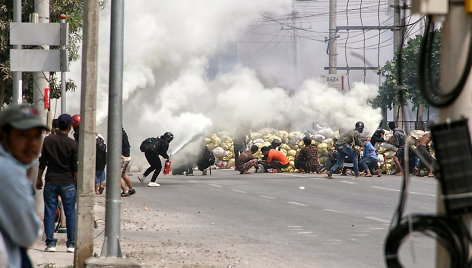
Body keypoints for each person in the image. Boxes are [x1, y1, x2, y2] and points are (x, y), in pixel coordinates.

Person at [0, 104, 45, 267]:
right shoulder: (9, 173)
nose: (32, 143)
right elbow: (27, 235)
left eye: (37, 135)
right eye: (23, 135)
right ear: (3, 136)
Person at [36, 113, 78, 253]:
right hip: (67, 183)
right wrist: (77, 182)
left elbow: (42, 162)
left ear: (58, 125)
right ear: (70, 127)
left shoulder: (48, 140)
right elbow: (74, 167)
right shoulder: (72, 143)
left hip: (51, 181)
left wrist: (38, 179)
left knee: (50, 212)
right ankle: (71, 244)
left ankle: (50, 244)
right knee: (70, 212)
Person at [120, 128, 136, 196]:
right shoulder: (123, 133)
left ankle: (125, 191)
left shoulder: (118, 134)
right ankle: (131, 189)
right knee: (123, 174)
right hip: (126, 156)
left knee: (116, 175)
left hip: (123, 157)